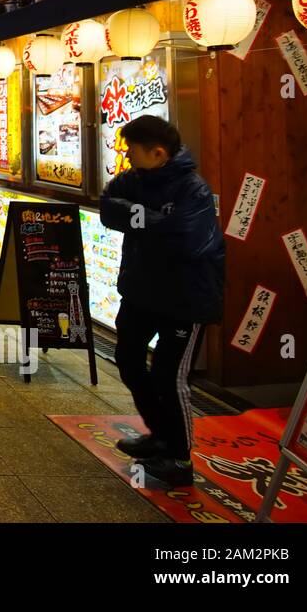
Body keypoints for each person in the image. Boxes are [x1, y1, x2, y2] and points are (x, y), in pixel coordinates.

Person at [99, 116, 225, 488]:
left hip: (185, 298)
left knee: (170, 376)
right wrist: (155, 220)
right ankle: (159, 433)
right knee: (128, 360)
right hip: (141, 290)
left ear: (157, 152)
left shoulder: (193, 189)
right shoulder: (134, 179)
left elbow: (189, 239)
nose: (127, 156)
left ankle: (179, 457)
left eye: (132, 150)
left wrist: (138, 218)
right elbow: (108, 206)